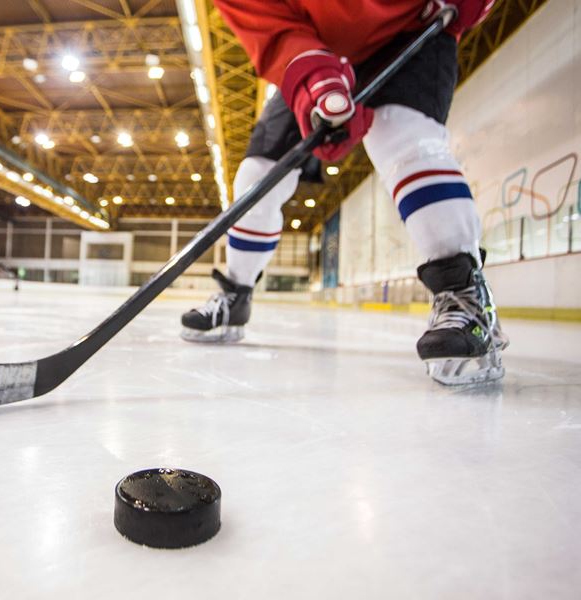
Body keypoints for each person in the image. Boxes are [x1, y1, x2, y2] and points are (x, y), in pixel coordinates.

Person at [180, 0, 509, 385]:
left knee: (404, 136)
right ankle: (236, 294)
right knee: (258, 173)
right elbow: (275, 30)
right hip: (317, 50)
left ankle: (464, 294)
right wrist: (316, 82)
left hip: (412, 26)